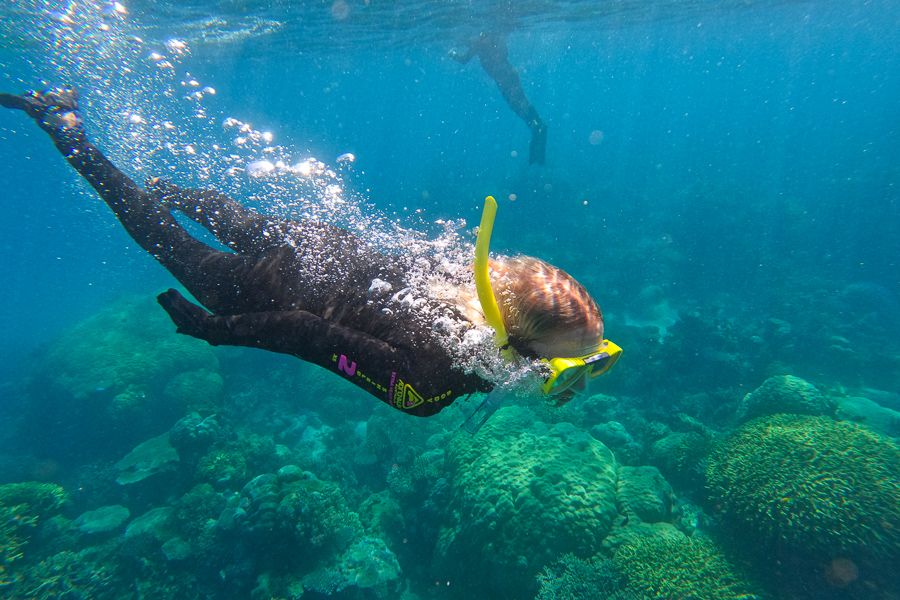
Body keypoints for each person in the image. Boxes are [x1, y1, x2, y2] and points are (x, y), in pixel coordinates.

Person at [0, 88, 619, 423]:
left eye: (591, 363)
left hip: (324, 247)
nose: (570, 385)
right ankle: (65, 128)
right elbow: (303, 330)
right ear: (518, 350)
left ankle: (176, 189)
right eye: (561, 370)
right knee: (162, 238)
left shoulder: (472, 283)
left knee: (243, 220)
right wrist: (219, 331)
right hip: (271, 293)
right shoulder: (429, 387)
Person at [451, 32, 548, 166]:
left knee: (516, 106)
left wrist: (452, 53)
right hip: (510, 72)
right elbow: (504, 53)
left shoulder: (478, 43)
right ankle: (537, 124)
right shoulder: (494, 38)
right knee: (522, 101)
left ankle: (536, 127)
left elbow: (463, 60)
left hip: (502, 78)